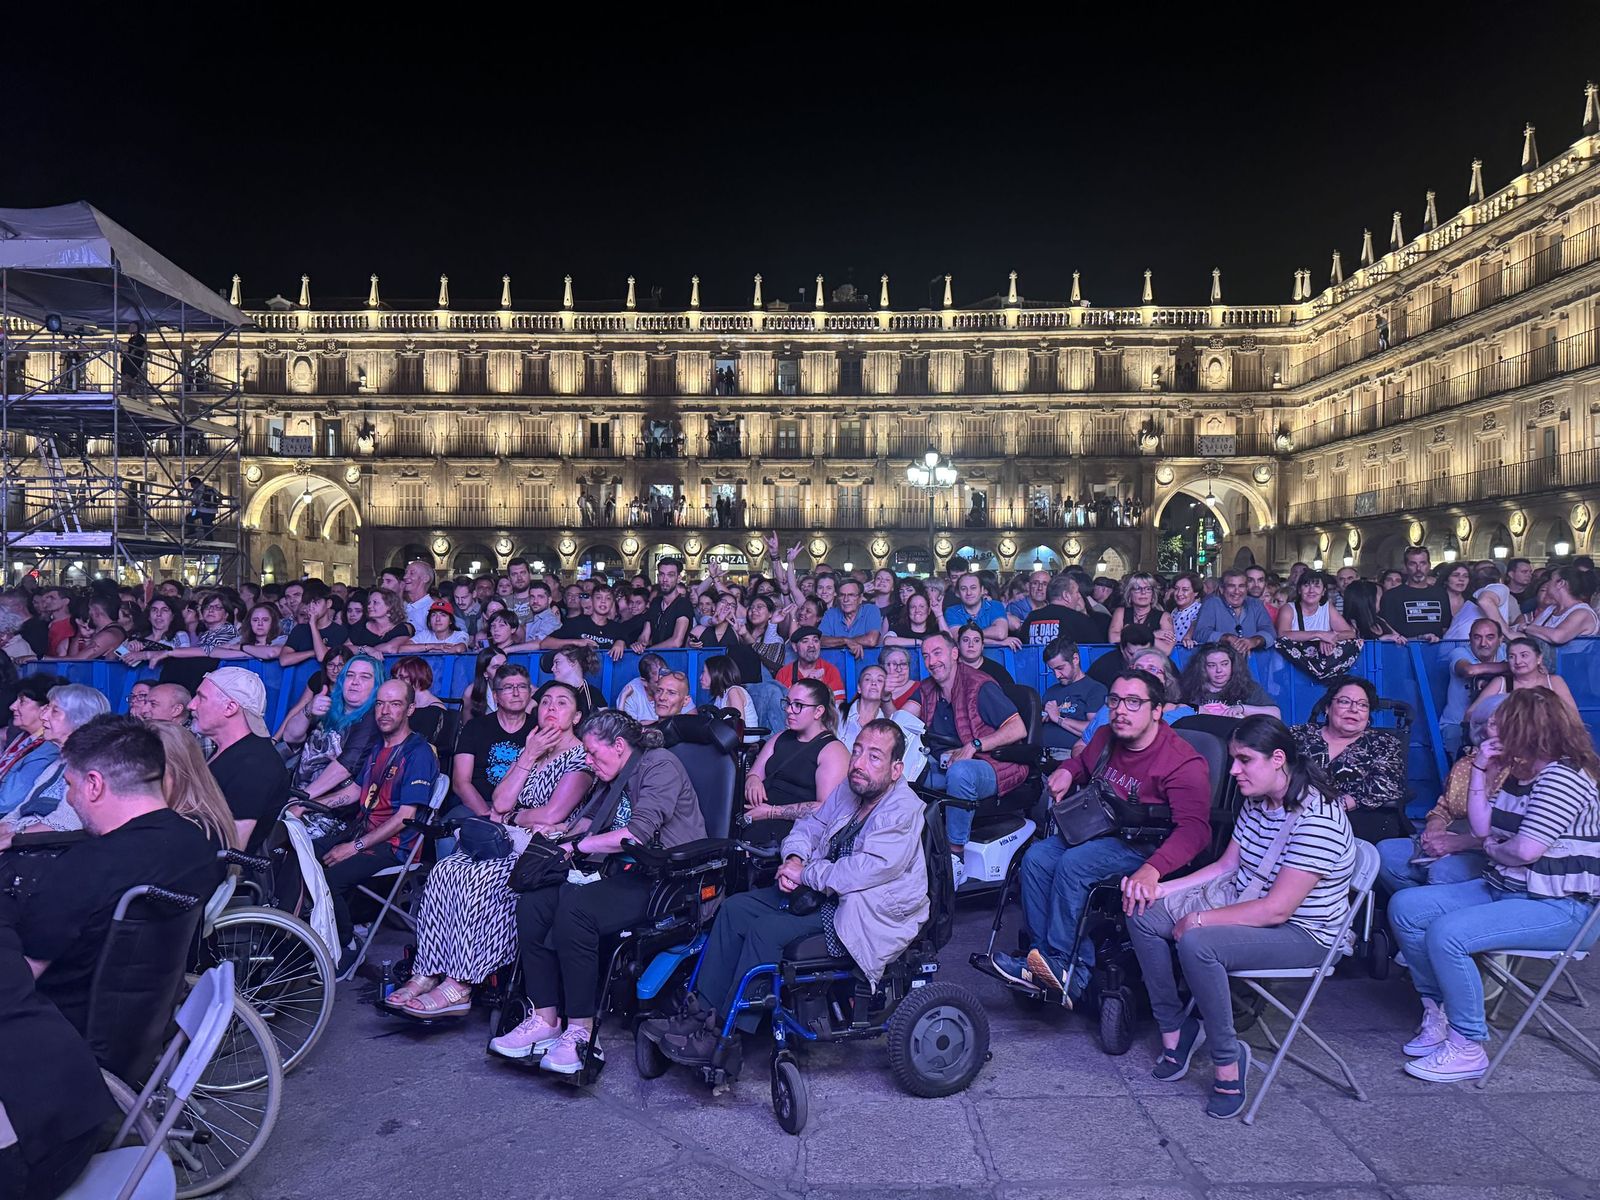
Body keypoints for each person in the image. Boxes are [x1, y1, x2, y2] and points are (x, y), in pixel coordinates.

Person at [648, 720, 928, 1067]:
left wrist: (805, 873)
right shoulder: (850, 789)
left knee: (767, 931)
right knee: (735, 909)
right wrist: (794, 858)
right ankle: (699, 1012)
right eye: (856, 750)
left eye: (874, 757)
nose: (858, 763)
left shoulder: (903, 810)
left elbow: (865, 871)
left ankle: (725, 1034)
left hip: (867, 910)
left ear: (896, 769)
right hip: (825, 892)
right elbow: (809, 826)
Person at [1124, 715, 1356, 1118]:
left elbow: (1277, 909)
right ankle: (1177, 1029)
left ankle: (1227, 1061)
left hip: (1305, 933)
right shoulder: (1260, 801)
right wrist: (1159, 888)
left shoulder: (1318, 819)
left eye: (1244, 760)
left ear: (1278, 759)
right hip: (1245, 897)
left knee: (1199, 944)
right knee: (1141, 911)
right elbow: (1224, 868)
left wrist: (1198, 920)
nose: (1233, 771)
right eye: (1233, 760)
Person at [1389, 687, 1600, 1083]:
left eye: (1503, 723)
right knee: (1407, 907)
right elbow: (1484, 827)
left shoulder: (1564, 777)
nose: (1491, 730)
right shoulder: (1526, 772)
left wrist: (1494, 849)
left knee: (1447, 934)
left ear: (1528, 728)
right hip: (1507, 887)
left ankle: (1467, 1044)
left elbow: (1524, 851)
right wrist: (1483, 770)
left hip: (1560, 906)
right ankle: (1438, 1011)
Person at [490, 709, 706, 1072]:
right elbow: (589, 821)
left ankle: (581, 1031)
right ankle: (545, 1020)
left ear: (619, 745)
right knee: (534, 901)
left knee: (576, 910)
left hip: (661, 876)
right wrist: (560, 837)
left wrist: (578, 848)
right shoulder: (614, 774)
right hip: (615, 871)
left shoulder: (659, 765)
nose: (588, 761)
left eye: (592, 752)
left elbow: (635, 834)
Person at [993, 669, 1212, 1006]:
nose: (1121, 710)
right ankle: (1043, 961)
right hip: (1099, 828)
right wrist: (1068, 770)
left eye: (1134, 702)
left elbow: (1196, 832)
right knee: (1036, 859)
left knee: (1073, 864)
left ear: (1157, 710)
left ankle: (1069, 970)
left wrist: (1153, 869)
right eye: (1115, 701)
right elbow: (1083, 762)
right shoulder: (1107, 736)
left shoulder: (1182, 762)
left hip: (1146, 844)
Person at [0, 715, 222, 1035]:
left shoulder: (86, 866)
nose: (69, 798)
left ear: (94, 784)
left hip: (59, 1029)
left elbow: (23, 975)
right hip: (140, 1026)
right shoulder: (197, 845)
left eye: (69, 785)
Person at [388, 682, 593, 1016]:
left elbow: (553, 814)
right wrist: (527, 756)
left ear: (576, 715)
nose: (552, 708)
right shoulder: (533, 749)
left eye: (562, 703)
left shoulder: (581, 757)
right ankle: (427, 970)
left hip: (546, 848)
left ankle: (461, 982)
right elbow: (498, 800)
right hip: (512, 838)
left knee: (479, 879)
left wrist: (513, 815)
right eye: (546, 703)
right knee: (445, 871)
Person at [310, 679, 440, 970]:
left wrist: (352, 848)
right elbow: (355, 792)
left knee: (331, 878)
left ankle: (346, 946)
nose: (385, 711)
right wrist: (308, 805)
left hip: (394, 845)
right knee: (303, 855)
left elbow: (404, 817)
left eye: (395, 704)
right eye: (380, 703)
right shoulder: (377, 748)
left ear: (410, 709)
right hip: (363, 830)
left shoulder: (417, 753)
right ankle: (307, 935)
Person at [903, 630, 1028, 885]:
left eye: (937, 653)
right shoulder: (927, 689)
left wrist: (974, 745)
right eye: (926, 656)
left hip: (993, 764)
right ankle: (907, 854)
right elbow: (902, 721)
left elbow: (1018, 729)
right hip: (944, 764)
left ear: (954, 654)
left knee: (961, 772)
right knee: (905, 773)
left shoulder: (979, 685)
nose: (931, 661)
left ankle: (955, 858)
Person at [1377, 707, 1507, 895]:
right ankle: (1418, 906)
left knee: (1442, 872)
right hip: (1449, 835)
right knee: (1385, 853)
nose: (1500, 729)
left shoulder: (1522, 771)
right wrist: (1435, 828)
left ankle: (1433, 913)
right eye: (1494, 723)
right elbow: (1443, 808)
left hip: (1485, 852)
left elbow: (1508, 834)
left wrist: (1456, 843)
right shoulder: (1465, 764)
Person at [1290, 676, 1407, 842]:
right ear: (1327, 707)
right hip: (1296, 812)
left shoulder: (1383, 743)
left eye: (1362, 705)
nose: (1354, 709)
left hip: (1359, 819)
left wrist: (1335, 807)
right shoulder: (1299, 735)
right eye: (1345, 702)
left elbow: (1388, 784)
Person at [190, 666, 290, 853]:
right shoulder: (227, 750)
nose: (191, 705)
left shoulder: (256, 766)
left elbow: (231, 848)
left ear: (230, 708)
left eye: (201, 697)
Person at [0, 685, 111, 848]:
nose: (43, 716)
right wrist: (6, 828)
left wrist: (13, 837)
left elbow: (65, 824)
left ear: (80, 720)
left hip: (43, 850)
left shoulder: (89, 767)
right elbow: (18, 811)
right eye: (46, 708)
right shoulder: (58, 763)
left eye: (54, 711)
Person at [743, 679, 850, 845]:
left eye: (798, 705)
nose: (789, 710)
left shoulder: (833, 751)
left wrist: (771, 812)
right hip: (756, 819)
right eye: (788, 703)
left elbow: (825, 808)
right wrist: (753, 781)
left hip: (795, 834)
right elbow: (755, 772)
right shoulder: (780, 737)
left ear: (818, 712)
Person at [451, 663, 536, 817]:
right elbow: (460, 782)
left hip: (522, 810)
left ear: (530, 693)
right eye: (508, 687)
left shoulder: (538, 730)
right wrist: (486, 814)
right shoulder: (475, 727)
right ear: (496, 696)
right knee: (447, 840)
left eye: (522, 687)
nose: (516, 693)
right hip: (476, 804)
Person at [839, 664, 927, 782]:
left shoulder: (887, 723)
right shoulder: (838, 713)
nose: (874, 683)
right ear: (859, 688)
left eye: (880, 680)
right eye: (868, 679)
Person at [1468, 636, 1580, 725]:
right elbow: (1470, 714)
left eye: (1524, 655)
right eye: (1512, 656)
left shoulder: (1554, 681)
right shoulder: (1500, 683)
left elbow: (1574, 717)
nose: (1518, 661)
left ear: (1539, 658)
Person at [1439, 618, 1507, 758]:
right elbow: (1469, 670)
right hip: (1457, 725)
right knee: (1463, 771)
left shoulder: (1506, 652)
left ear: (1501, 639)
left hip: (1495, 727)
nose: (1483, 643)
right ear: (1469, 639)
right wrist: (1510, 666)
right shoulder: (1459, 652)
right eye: (1477, 637)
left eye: (1490, 637)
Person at [0, 675, 63, 817]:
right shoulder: (24, 737)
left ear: (45, 709)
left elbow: (6, 802)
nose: (12, 706)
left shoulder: (47, 750)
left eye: (22, 701)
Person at [1179, 642, 1281, 719]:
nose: (1219, 670)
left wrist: (1242, 708)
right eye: (1212, 665)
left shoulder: (1247, 687)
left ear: (1233, 665)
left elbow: (1276, 714)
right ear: (1202, 668)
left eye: (1224, 664)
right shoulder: (1190, 689)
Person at [1041, 637, 1107, 756]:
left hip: (1069, 755)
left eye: (1060, 668)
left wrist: (1058, 718)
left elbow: (1095, 730)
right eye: (1052, 670)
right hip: (1039, 753)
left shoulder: (1095, 689)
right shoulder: (1051, 691)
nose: (1057, 675)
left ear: (1075, 659)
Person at [1189, 569, 1276, 655]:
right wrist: (1226, 638)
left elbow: (1270, 632)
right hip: (1219, 664)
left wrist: (1254, 641)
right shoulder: (1211, 604)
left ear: (1246, 589)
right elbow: (1200, 634)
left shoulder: (1255, 604)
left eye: (1241, 586)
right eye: (1231, 586)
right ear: (1222, 589)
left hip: (1253, 664)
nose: (1237, 591)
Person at [1380, 547, 1448, 640]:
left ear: (1429, 566)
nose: (1418, 568)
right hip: (1403, 651)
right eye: (1413, 564)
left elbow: (1445, 627)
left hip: (1436, 650)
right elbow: (1389, 632)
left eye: (1423, 563)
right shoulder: (1391, 596)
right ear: (1405, 567)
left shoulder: (1440, 593)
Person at [1521, 565, 1598, 647]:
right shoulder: (1551, 609)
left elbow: (1558, 636)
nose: (1547, 583)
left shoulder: (1582, 613)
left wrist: (1526, 627)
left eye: (1550, 579)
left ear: (1561, 583)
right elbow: (1531, 634)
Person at [775, 625, 846, 704]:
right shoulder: (783, 673)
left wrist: (821, 688)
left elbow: (837, 706)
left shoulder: (830, 670)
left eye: (815, 641)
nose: (811, 645)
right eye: (805, 641)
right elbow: (779, 706)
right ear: (795, 647)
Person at [1108, 572, 1175, 656]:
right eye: (1137, 588)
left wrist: (1128, 635)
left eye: (1148, 589)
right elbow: (1113, 638)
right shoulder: (1120, 612)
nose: (1143, 592)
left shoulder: (1164, 616)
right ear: (1129, 593)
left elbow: (1166, 650)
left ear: (1153, 594)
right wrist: (1153, 634)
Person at [634, 559, 694, 650]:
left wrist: (649, 650)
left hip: (676, 661)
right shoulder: (655, 602)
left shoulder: (683, 604)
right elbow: (645, 635)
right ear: (658, 577)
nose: (665, 579)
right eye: (662, 574)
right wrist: (639, 644)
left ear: (678, 578)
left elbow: (676, 642)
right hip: (653, 661)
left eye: (670, 575)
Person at [818, 577, 883, 659]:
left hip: (866, 665)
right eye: (842, 595)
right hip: (836, 664)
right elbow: (819, 640)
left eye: (851, 595)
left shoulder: (871, 610)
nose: (846, 599)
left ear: (860, 598)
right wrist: (845, 640)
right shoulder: (831, 614)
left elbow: (871, 640)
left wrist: (839, 641)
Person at [943, 572, 1013, 645]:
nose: (969, 593)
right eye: (963, 589)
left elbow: (1000, 633)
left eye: (973, 588)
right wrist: (997, 642)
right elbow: (958, 639)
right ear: (958, 593)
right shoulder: (952, 611)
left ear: (982, 590)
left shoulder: (995, 605)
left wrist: (967, 635)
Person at [345, 585, 413, 653]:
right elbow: (346, 648)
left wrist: (368, 650)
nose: (369, 606)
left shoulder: (401, 628)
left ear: (389, 606)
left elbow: (390, 648)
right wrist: (366, 649)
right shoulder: (360, 626)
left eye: (375, 602)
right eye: (369, 603)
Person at [1086, 625, 1155, 689]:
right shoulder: (1102, 669)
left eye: (1144, 653)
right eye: (1132, 654)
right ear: (1122, 648)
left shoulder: (1159, 665)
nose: (1138, 659)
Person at [1341, 579, 1406, 644]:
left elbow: (1399, 638)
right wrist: (1380, 640)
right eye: (1380, 596)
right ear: (1368, 600)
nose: (1383, 599)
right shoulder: (1349, 625)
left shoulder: (1380, 620)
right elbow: (1352, 649)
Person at [702, 654, 757, 729]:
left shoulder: (733, 692)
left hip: (742, 739)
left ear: (716, 673)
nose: (700, 677)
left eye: (704, 672)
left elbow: (739, 727)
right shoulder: (720, 696)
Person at [616, 652, 671, 723]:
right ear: (644, 682)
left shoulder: (675, 684)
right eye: (657, 682)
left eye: (664, 680)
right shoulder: (629, 693)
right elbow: (627, 728)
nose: (663, 685)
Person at [957, 621, 1014, 688]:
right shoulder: (950, 670)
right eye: (966, 640)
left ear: (982, 646)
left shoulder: (997, 672)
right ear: (958, 645)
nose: (971, 645)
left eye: (976, 641)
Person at [404, 599, 470, 652]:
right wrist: (433, 646)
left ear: (451, 621)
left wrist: (432, 651)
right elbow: (403, 649)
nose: (437, 619)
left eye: (443, 615)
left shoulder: (460, 635)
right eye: (434, 615)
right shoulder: (425, 634)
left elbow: (459, 649)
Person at [1167, 572, 1204, 648]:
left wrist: (1188, 636)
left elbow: (1195, 622)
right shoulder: (1174, 611)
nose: (1179, 593)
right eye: (1177, 589)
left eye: (1185, 590)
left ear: (1196, 592)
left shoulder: (1200, 610)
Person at [879, 646, 921, 711]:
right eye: (893, 664)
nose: (899, 669)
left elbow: (898, 720)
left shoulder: (920, 688)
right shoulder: (875, 689)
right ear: (882, 667)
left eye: (903, 664)